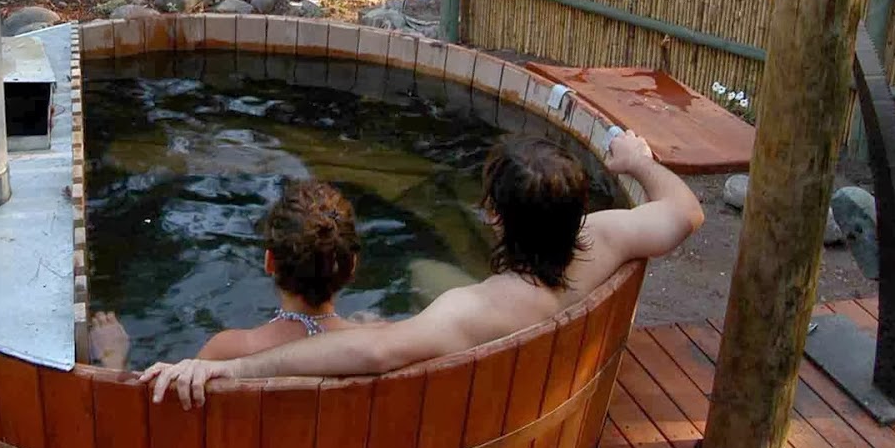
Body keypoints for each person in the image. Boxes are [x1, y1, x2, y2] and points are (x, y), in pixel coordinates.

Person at [139, 129, 703, 407]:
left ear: (496, 218)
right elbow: (686, 213)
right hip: (532, 387)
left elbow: (377, 353)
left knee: (419, 293)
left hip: (477, 387)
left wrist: (235, 371)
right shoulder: (605, 236)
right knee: (424, 274)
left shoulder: (470, 311)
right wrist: (640, 163)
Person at [89, 179, 367, 369]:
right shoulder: (376, 346)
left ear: (270, 262)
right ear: (352, 266)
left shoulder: (229, 351)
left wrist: (113, 358)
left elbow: (154, 429)